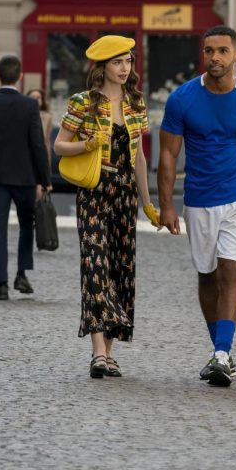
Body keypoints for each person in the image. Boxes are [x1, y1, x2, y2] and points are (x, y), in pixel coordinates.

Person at [158, 25, 236, 387]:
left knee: (230, 272)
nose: (215, 57)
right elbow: (168, 155)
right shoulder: (182, 99)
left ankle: (223, 354)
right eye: (209, 50)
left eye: (222, 51)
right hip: (198, 200)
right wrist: (167, 205)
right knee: (207, 275)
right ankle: (219, 349)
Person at [53, 35, 160, 379]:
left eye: (128, 61)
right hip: (95, 191)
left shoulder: (135, 104)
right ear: (102, 67)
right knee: (94, 265)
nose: (125, 68)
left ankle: (110, 353)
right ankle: (97, 351)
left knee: (119, 267)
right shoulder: (83, 102)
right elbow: (59, 146)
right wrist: (87, 143)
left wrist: (147, 202)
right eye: (117, 62)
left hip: (125, 191)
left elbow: (140, 157)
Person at [0, 56, 52, 301]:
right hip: (25, 176)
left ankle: (2, 284)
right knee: (27, 225)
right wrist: (44, 177)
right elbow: (37, 144)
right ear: (20, 76)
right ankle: (21, 272)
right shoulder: (29, 105)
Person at [25, 88, 53, 165]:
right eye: (32, 97)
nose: (35, 100)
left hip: (40, 154)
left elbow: (47, 140)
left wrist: (48, 161)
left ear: (42, 100)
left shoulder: (47, 117)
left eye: (38, 98)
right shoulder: (22, 114)